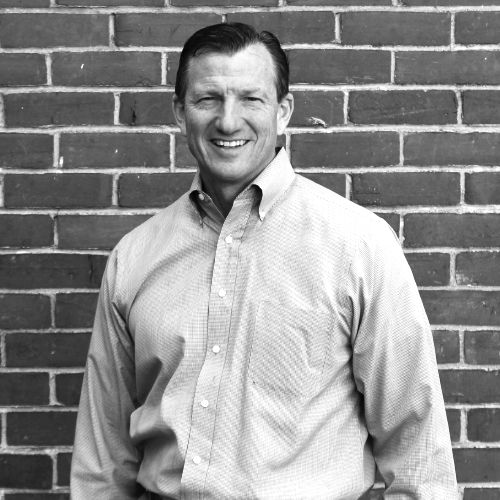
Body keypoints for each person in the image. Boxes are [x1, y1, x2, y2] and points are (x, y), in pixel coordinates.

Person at [71, 22, 458, 499]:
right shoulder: (134, 258)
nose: (228, 121)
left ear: (283, 111)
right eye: (208, 99)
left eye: (251, 99)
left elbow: (419, 457)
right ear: (180, 112)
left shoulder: (358, 247)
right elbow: (103, 464)